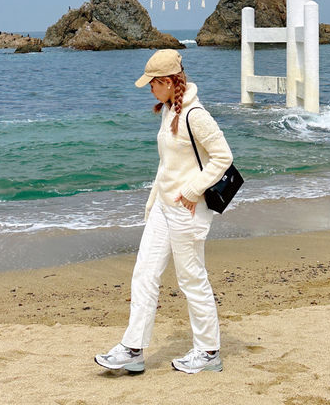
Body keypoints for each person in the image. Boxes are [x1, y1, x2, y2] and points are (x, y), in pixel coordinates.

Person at [95, 49, 233, 375]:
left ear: (169, 81)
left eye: (154, 84)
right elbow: (167, 164)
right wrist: (153, 199)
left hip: (188, 210)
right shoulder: (169, 110)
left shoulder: (194, 114)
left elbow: (222, 157)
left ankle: (209, 352)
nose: (150, 90)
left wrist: (190, 190)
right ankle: (133, 350)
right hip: (163, 207)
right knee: (144, 275)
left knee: (191, 280)